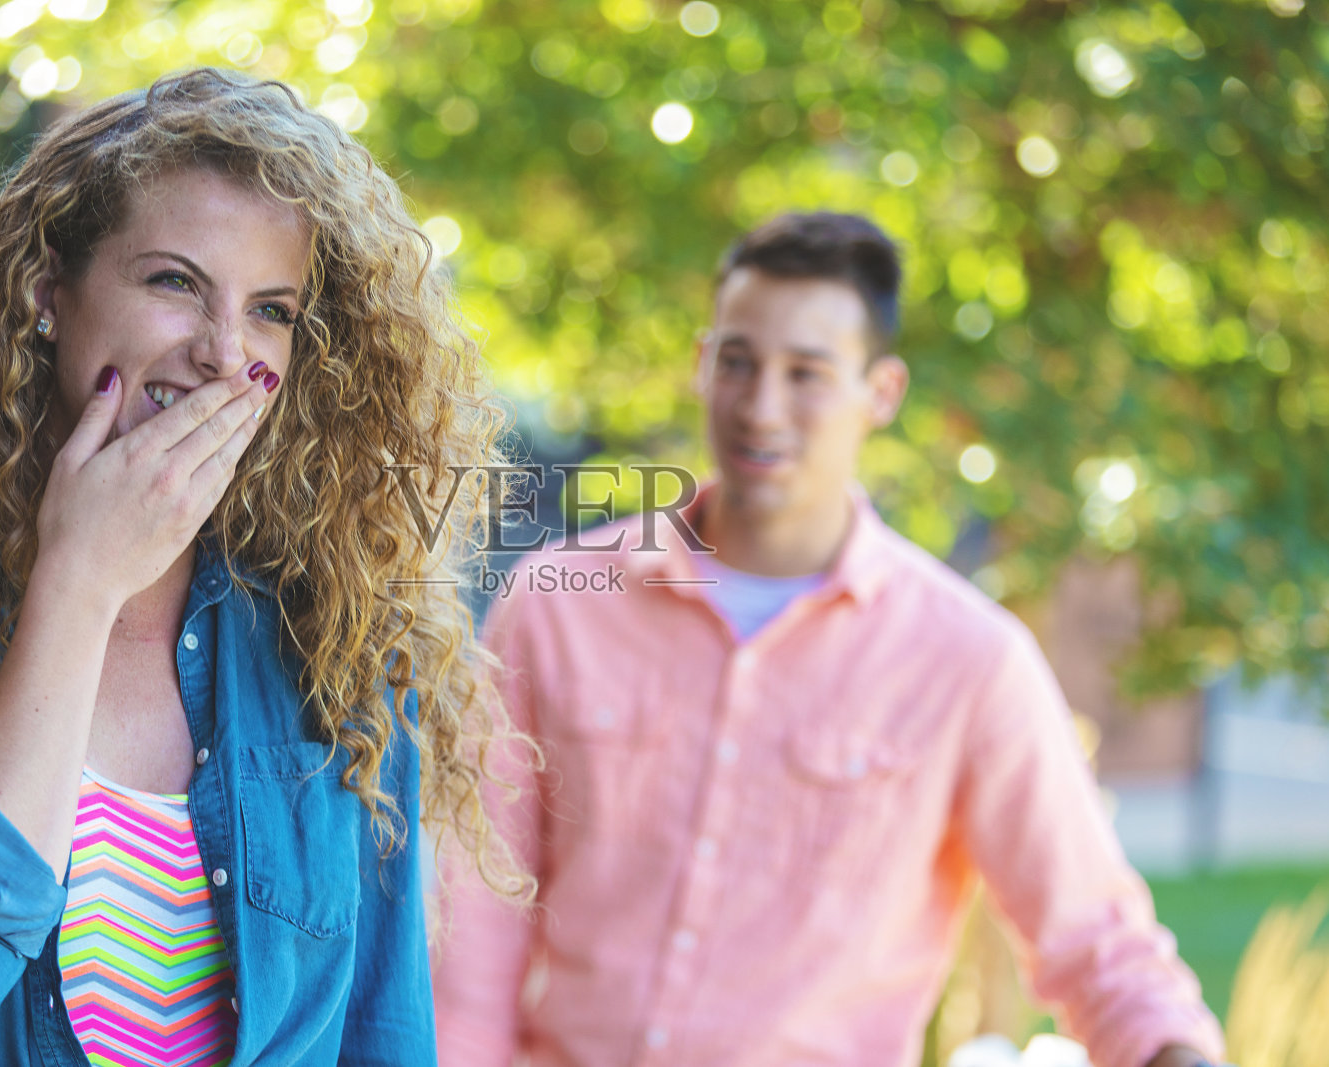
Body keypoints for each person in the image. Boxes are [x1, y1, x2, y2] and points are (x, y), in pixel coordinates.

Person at [0, 68, 520, 1066]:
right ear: (47, 293)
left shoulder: (335, 617)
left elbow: (383, 1029)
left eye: (271, 310)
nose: (224, 353)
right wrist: (79, 581)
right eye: (174, 283)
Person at [430, 212, 1228, 1067]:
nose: (761, 407)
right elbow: (470, 929)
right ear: (702, 362)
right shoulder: (556, 603)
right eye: (739, 362)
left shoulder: (969, 661)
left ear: (881, 392)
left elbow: (1099, 946)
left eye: (806, 373)